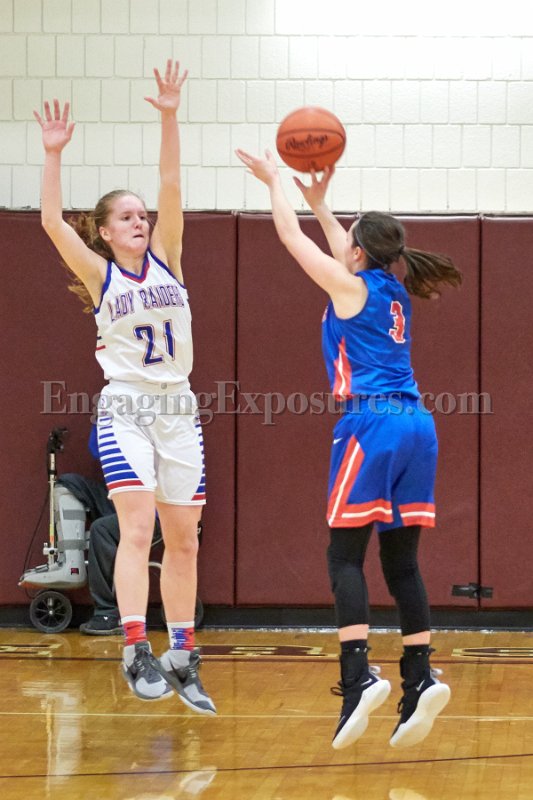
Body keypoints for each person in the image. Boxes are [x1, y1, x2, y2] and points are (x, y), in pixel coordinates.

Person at [235, 148, 461, 749]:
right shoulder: (391, 288)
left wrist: (275, 183)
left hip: (371, 424)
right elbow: (342, 247)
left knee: (343, 556)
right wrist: (320, 203)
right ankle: (419, 675)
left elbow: (291, 240)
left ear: (359, 252)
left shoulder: (349, 286)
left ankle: (358, 677)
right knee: (402, 562)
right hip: (418, 425)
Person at [35, 59, 215, 714]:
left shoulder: (168, 256)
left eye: (143, 215)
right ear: (107, 232)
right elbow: (52, 224)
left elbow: (171, 182)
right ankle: (135, 646)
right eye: (127, 217)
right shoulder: (101, 275)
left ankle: (182, 654)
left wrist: (169, 117)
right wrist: (54, 155)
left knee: (185, 538)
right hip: (127, 409)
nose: (140, 221)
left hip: (178, 409)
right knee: (136, 528)